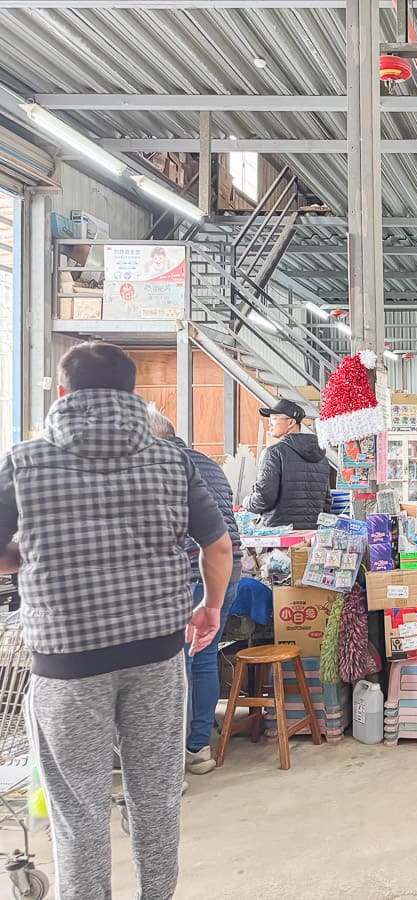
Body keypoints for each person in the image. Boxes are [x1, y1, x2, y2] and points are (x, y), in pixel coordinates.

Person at [0, 341, 233, 900]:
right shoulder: (172, 459)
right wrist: (210, 607)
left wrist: (30, 557)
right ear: (135, 393)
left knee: (76, 806)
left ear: (62, 391)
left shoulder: (24, 462)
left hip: (67, 658)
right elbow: (218, 546)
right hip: (155, 652)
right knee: (156, 794)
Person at [146, 404, 241, 776]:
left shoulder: (158, 464)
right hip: (228, 571)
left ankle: (167, 764)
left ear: (153, 436)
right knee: (204, 659)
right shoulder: (208, 462)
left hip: (187, 573)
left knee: (177, 668)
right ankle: (198, 748)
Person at [245, 398, 332, 530]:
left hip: (279, 535)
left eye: (274, 418)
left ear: (291, 422)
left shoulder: (274, 453)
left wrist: (247, 502)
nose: (269, 424)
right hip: (311, 536)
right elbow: (326, 502)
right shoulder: (321, 457)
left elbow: (264, 499)